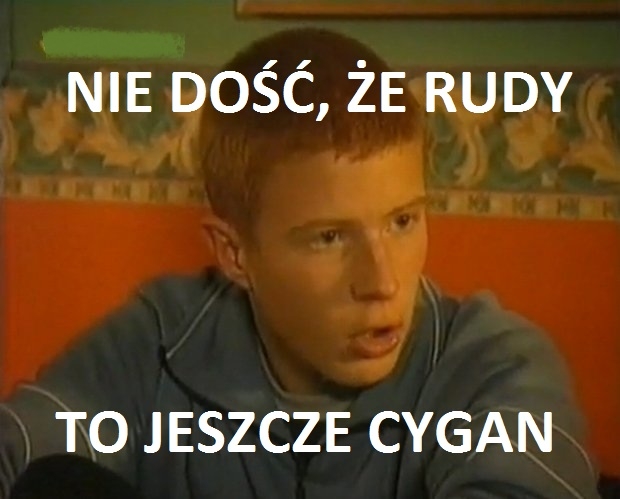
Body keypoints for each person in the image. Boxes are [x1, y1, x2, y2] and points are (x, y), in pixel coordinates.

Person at [0, 27, 602, 499]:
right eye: (329, 238)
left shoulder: (495, 367)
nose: (383, 281)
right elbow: (23, 446)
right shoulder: (157, 340)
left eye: (402, 221)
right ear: (235, 254)